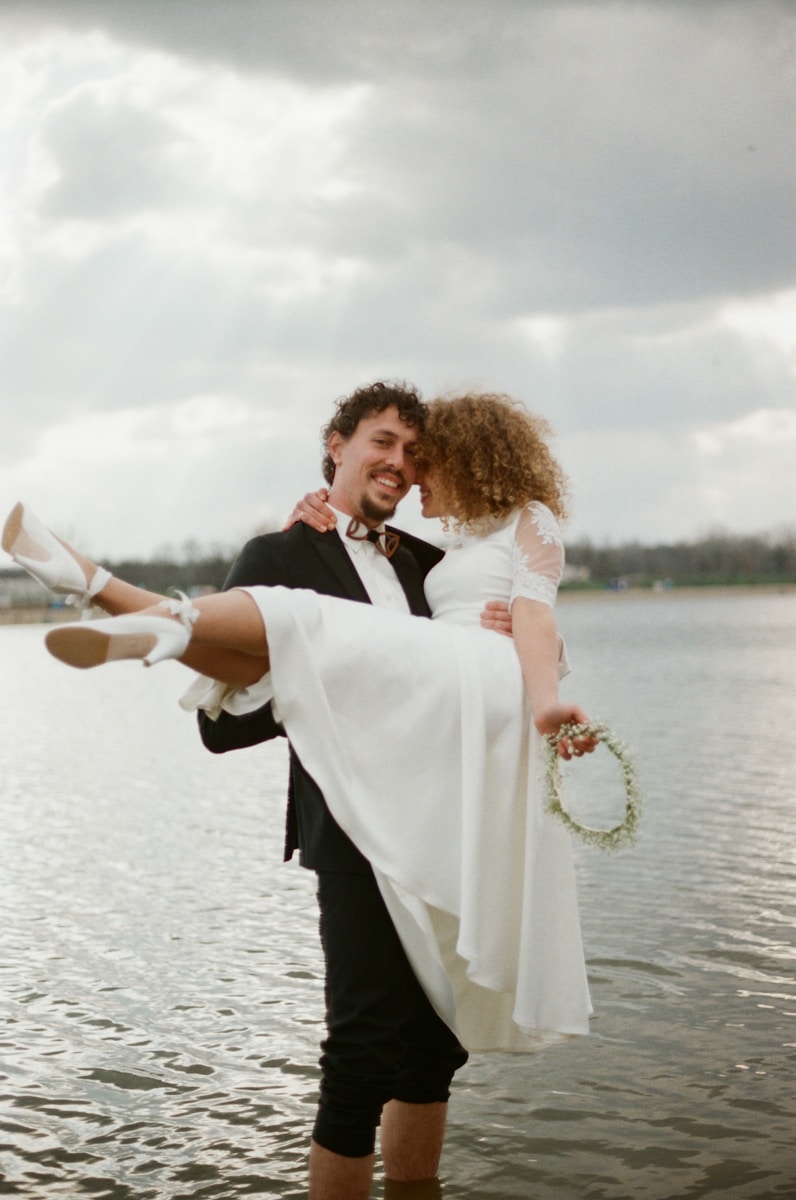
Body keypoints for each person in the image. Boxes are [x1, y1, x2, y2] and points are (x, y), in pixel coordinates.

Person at [4, 381, 593, 1200]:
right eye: (383, 442)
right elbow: (220, 730)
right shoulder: (280, 555)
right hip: (351, 826)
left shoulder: (432, 564)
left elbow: (500, 652)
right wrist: (323, 687)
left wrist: (541, 664)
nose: (400, 464)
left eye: (414, 453)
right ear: (337, 443)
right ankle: (146, 613)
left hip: (449, 819)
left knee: (433, 1048)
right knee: (360, 1048)